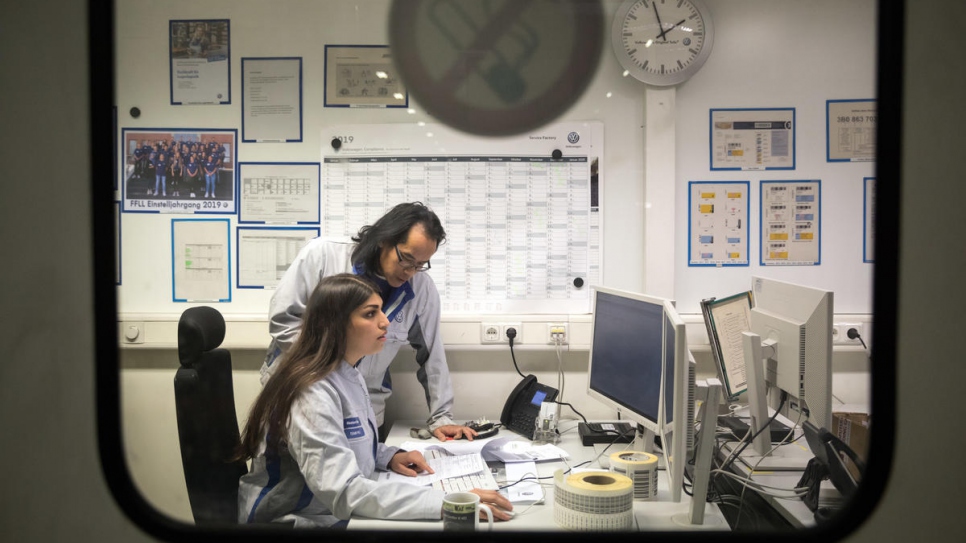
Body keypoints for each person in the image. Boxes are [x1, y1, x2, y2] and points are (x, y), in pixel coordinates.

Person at [237, 274, 512, 528]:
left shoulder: (348, 372)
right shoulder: (311, 392)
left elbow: (340, 441)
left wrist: (387, 456)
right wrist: (446, 502)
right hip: (297, 521)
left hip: (330, 514)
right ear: (334, 324)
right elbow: (343, 490)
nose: (385, 322)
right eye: (370, 313)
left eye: (381, 309)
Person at [261, 202, 473, 441]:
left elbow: (432, 356)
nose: (410, 272)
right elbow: (283, 321)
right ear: (384, 239)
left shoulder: (421, 290)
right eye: (406, 259)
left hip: (365, 409)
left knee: (368, 470)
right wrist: (334, 368)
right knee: (288, 475)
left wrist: (441, 417)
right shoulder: (323, 255)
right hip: (302, 396)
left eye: (420, 265)